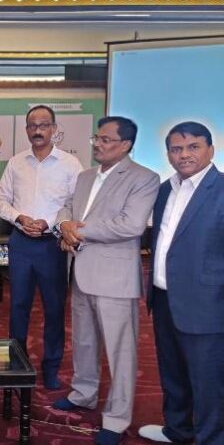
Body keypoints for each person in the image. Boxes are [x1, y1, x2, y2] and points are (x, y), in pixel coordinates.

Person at [52, 116, 160, 445]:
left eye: (105, 140)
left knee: (120, 352)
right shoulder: (85, 176)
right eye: (96, 139)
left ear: (125, 145)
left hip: (115, 279)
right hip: (80, 271)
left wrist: (76, 231)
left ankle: (116, 418)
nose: (97, 144)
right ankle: (83, 393)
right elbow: (66, 208)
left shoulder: (144, 178)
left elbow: (130, 225)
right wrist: (63, 226)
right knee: (84, 342)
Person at [138, 122, 224, 445]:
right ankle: (178, 430)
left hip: (208, 304)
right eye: (176, 149)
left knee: (208, 381)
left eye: (193, 147)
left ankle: (211, 438)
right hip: (163, 298)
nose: (183, 154)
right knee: (172, 371)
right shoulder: (164, 190)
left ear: (210, 150)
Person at [0, 104, 82, 389]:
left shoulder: (70, 164)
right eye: (32, 126)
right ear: (27, 130)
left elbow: (75, 204)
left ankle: (51, 366)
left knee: (54, 308)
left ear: (54, 129)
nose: (38, 130)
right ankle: (17, 362)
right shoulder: (15, 162)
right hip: (21, 243)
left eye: (44, 125)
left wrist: (50, 223)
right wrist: (19, 217)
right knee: (18, 306)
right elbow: (0, 200)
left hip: (52, 245)